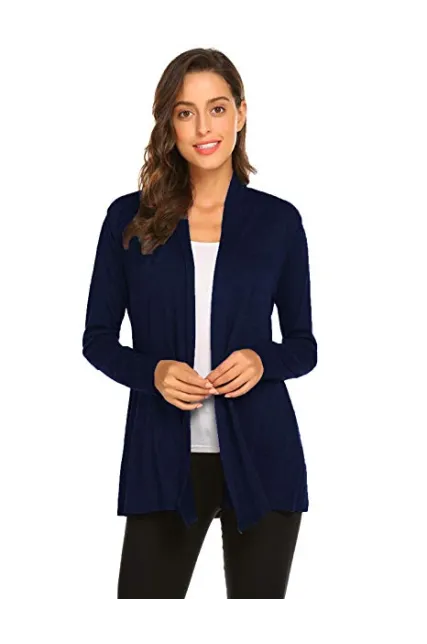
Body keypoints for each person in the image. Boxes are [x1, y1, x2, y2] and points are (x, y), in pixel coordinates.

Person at [82, 47, 317, 599]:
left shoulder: (279, 222)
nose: (203, 127)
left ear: (241, 112)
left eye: (217, 108)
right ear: (169, 123)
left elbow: (303, 346)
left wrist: (262, 360)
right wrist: (154, 372)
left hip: (264, 458)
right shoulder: (129, 218)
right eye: (185, 112)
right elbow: (97, 340)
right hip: (162, 460)